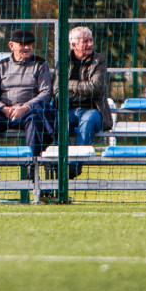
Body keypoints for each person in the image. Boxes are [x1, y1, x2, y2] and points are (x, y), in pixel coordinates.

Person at [0, 29, 53, 180]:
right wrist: (3, 108)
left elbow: (46, 93)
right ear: (11, 46)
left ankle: (31, 166)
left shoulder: (40, 64)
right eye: (22, 44)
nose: (26, 48)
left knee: (35, 121)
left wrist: (26, 107)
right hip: (4, 111)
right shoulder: (0, 66)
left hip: (29, 112)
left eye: (29, 44)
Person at [57, 26, 113, 178]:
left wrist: (69, 85)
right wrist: (82, 92)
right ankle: (63, 162)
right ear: (73, 45)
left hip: (94, 109)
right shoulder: (63, 62)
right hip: (68, 110)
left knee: (87, 121)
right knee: (56, 122)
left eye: (91, 40)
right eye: (85, 41)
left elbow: (97, 89)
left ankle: (74, 166)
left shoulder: (99, 60)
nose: (89, 44)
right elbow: (56, 91)